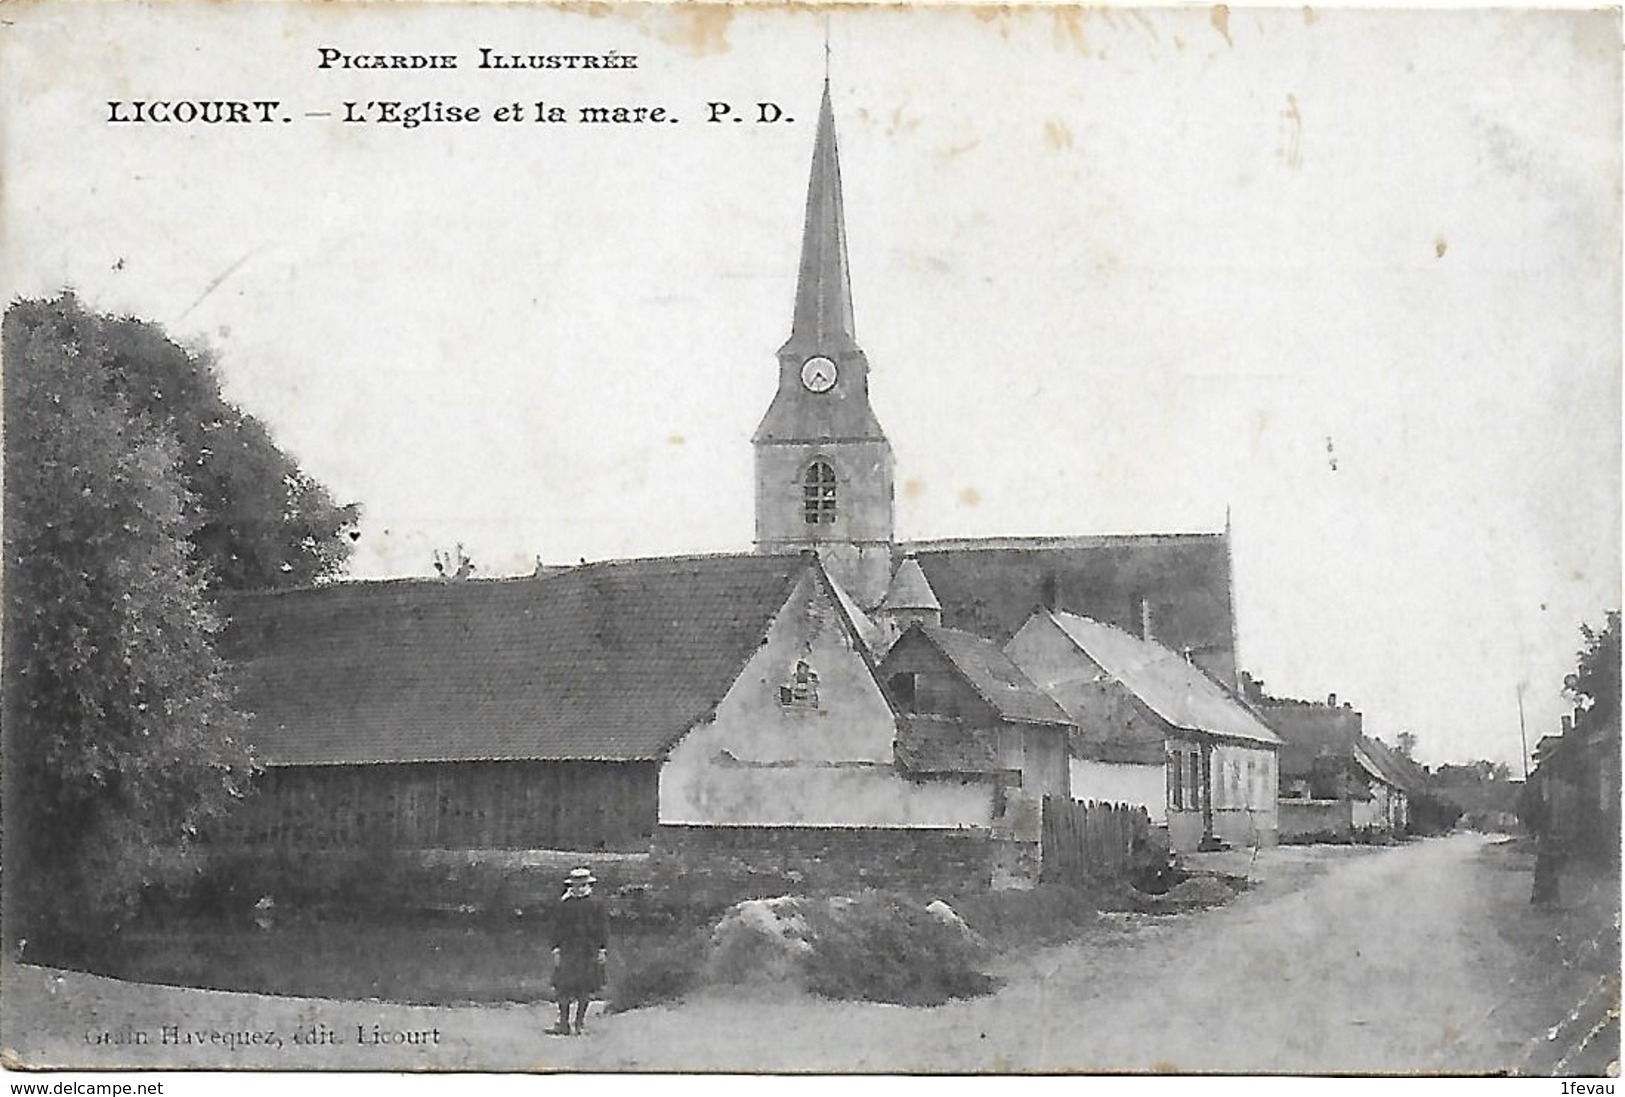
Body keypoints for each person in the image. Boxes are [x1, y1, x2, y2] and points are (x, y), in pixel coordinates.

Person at [549, 866, 608, 1035]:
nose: (579, 888)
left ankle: (579, 1022)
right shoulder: (564, 904)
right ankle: (564, 1023)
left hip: (588, 950)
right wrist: (556, 949)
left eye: (583, 884)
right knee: (563, 988)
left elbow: (603, 928)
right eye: (576, 884)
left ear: (588, 885)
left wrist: (602, 949)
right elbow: (556, 928)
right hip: (568, 950)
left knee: (585, 988)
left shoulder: (597, 904)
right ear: (571, 885)